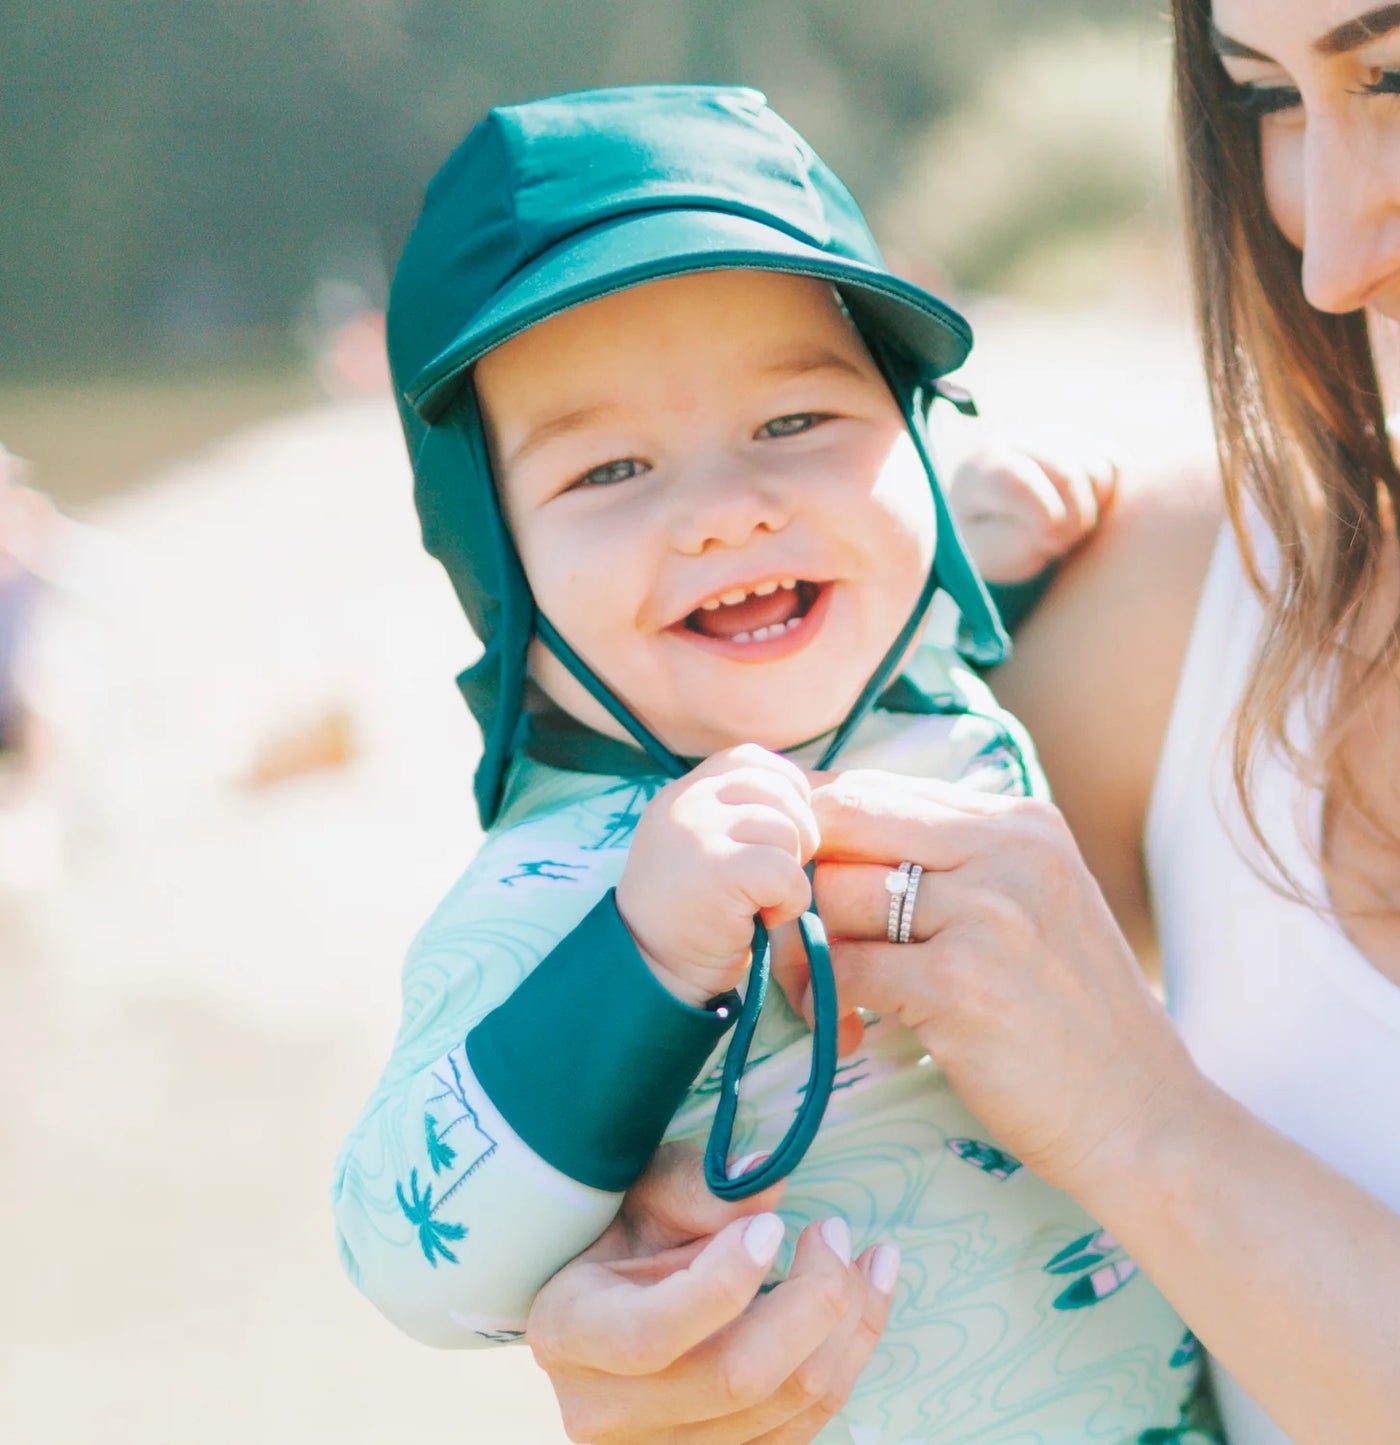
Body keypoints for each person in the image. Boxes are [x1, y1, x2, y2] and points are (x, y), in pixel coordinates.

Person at [522, 3, 1400, 1442]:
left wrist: (1148, 1129)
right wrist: (646, 1331)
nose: (1327, 254)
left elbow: (1103, 1099)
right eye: (1263, 97)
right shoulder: (1191, 607)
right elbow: (672, 1003)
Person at [332, 85, 1217, 1442]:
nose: (730, 509)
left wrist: (980, 546)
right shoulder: (561, 884)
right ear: (499, 578)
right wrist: (641, 955)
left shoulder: (924, 681)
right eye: (613, 468)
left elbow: (885, 589)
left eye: (797, 424)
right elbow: (408, 1263)